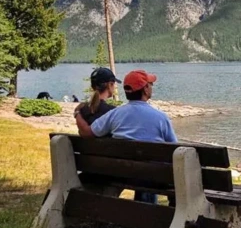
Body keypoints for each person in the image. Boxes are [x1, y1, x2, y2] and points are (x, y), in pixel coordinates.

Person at [75, 69, 177, 204]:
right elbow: (176, 150)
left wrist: (77, 114)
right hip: (153, 178)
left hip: (123, 173)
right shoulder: (161, 118)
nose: (151, 87)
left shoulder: (115, 114)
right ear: (145, 89)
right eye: (150, 84)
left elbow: (87, 133)